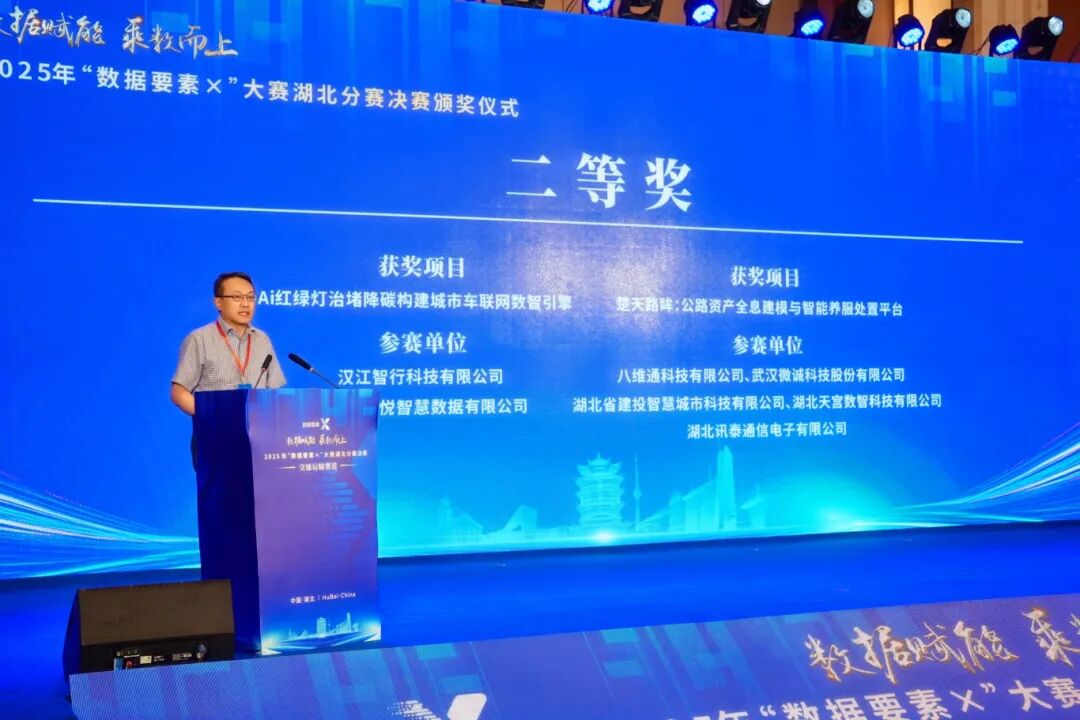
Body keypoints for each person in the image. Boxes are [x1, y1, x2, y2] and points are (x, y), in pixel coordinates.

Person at [171, 271, 286, 420]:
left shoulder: (262, 340)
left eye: (250, 297)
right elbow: (178, 392)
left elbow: (275, 390)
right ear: (218, 302)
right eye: (237, 297)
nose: (245, 304)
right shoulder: (199, 339)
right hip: (215, 431)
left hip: (257, 431)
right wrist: (209, 418)